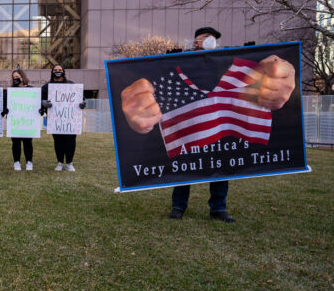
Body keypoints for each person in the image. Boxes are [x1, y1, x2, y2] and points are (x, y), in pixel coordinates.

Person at [120, 26, 296, 222]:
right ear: (196, 41)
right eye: (206, 38)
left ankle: (218, 208)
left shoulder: (224, 59)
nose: (210, 41)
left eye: (213, 38)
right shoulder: (181, 59)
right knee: (184, 168)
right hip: (190, 128)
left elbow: (255, 69)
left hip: (220, 127)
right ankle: (178, 206)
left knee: (220, 166)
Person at [41, 64, 85, 172]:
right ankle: (60, 162)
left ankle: (69, 162)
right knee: (58, 141)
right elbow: (39, 99)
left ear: (63, 71)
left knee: (70, 141)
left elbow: (81, 98)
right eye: (55, 70)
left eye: (59, 70)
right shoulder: (47, 86)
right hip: (55, 119)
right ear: (52, 72)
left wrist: (82, 103)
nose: (57, 71)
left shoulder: (71, 85)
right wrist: (43, 103)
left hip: (71, 119)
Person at [2, 68, 34, 171]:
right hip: (14, 121)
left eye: (17, 77)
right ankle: (16, 162)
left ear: (22, 77)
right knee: (15, 142)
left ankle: (29, 162)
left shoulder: (31, 89)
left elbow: (36, 103)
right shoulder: (9, 91)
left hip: (27, 121)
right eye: (14, 77)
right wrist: (5, 110)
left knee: (27, 142)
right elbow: (4, 105)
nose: (15, 79)